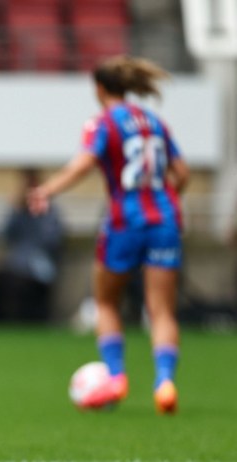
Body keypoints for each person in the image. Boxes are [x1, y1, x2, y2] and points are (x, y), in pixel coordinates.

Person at [28, 55, 189, 414]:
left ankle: (116, 378)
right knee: (161, 309)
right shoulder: (155, 122)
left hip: (124, 220)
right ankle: (165, 383)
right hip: (164, 219)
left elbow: (84, 163)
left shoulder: (103, 122)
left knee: (105, 301)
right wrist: (166, 200)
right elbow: (183, 173)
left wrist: (47, 190)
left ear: (99, 89)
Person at [0, 168, 65, 322]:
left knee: (36, 274)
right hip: (18, 264)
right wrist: (15, 210)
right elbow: (4, 235)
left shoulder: (50, 211)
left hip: (41, 262)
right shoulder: (18, 210)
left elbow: (53, 240)